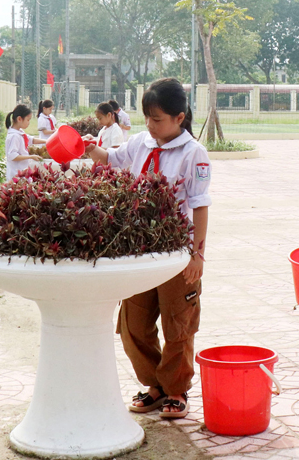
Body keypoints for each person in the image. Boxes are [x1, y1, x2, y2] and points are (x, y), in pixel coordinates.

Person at [85, 78, 210, 419]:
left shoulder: (193, 153)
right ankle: (155, 384)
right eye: (147, 118)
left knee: (178, 325)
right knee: (133, 324)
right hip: (138, 251)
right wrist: (90, 150)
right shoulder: (141, 142)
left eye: (158, 119)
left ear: (179, 118)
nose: (150, 126)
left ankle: (176, 390)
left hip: (176, 254)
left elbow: (200, 205)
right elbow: (111, 159)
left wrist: (197, 255)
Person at [5, 104, 45, 180]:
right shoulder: (14, 136)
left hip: (22, 174)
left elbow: (30, 139)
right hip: (16, 176)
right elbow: (13, 156)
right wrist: (31, 156)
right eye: (28, 120)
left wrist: (48, 141)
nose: (29, 122)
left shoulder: (19, 132)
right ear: (19, 119)